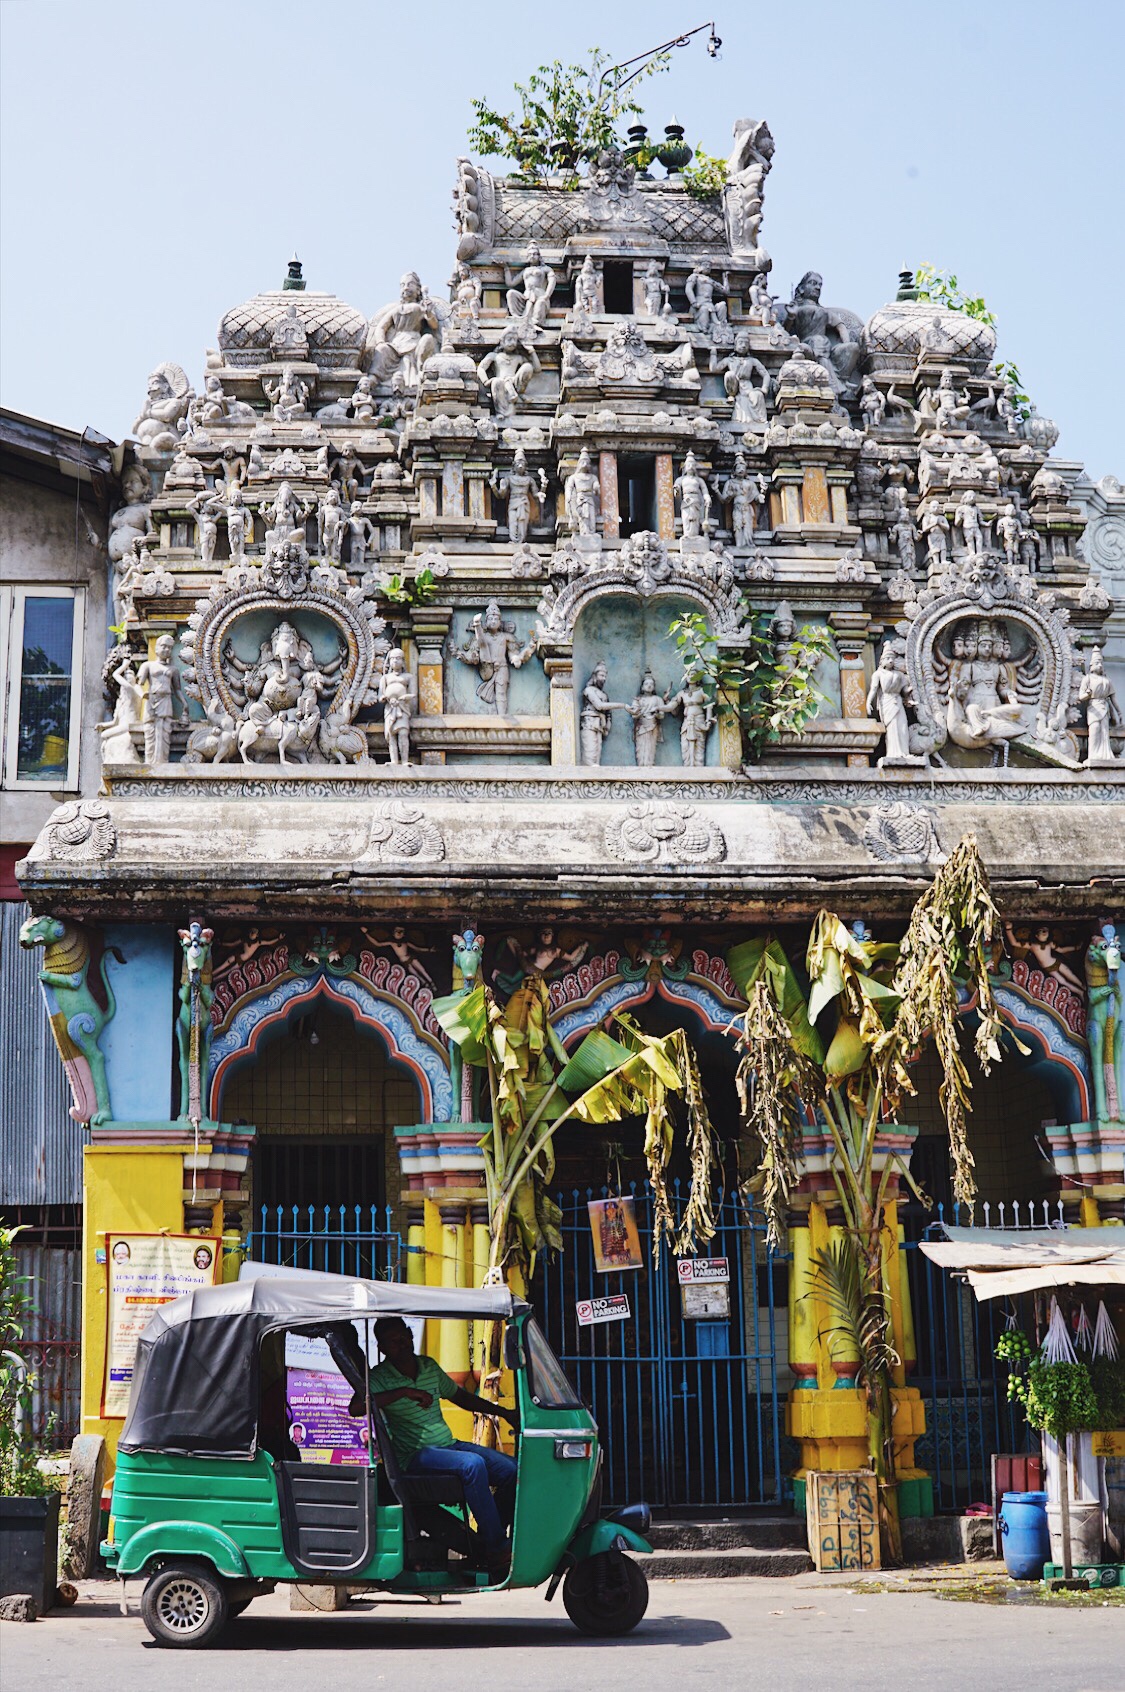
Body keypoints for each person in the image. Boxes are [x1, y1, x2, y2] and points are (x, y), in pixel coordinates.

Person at [354, 1316, 519, 1576]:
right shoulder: (379, 1377)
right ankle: (496, 1546)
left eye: (404, 1336)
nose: (402, 1343)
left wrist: (503, 1412)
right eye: (393, 1341)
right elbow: (355, 1407)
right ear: (382, 1348)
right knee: (472, 1465)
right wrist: (405, 1392)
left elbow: (461, 1397)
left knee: (511, 1470)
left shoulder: (428, 1366)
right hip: (415, 1455)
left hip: (447, 1446)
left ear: (410, 1335)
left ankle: (488, 1539)